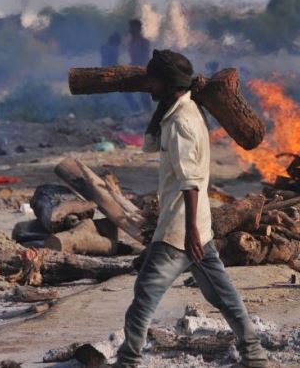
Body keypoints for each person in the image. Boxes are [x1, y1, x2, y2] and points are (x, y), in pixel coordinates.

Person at [114, 50, 268, 368]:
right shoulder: (181, 111)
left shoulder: (182, 122)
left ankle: (127, 360)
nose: (148, 86)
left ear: (169, 83)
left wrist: (190, 233)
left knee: (145, 293)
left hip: (180, 229)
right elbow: (151, 145)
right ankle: (254, 355)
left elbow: (191, 182)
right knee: (221, 293)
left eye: (153, 80)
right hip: (196, 225)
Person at [128, 19, 153, 111]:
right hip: (133, 69)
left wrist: (142, 69)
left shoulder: (144, 42)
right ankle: (137, 110)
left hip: (142, 70)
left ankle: (147, 112)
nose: (130, 30)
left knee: (144, 94)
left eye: (132, 27)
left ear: (138, 28)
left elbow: (144, 57)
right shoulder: (131, 42)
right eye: (130, 27)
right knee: (127, 92)